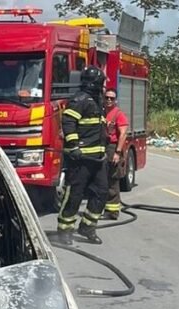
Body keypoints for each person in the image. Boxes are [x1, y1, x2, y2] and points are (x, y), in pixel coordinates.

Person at [55, 66, 108, 245]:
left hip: (98, 158)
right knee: (75, 194)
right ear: (96, 83)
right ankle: (65, 230)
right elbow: (68, 122)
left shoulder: (97, 100)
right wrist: (73, 146)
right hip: (81, 159)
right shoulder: (80, 99)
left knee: (101, 193)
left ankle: (88, 227)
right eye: (101, 83)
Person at [102, 88, 129, 220]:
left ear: (116, 100)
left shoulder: (118, 114)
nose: (109, 100)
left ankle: (112, 212)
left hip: (113, 148)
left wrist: (117, 152)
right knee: (102, 179)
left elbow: (123, 134)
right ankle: (103, 208)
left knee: (112, 180)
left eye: (112, 98)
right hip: (102, 147)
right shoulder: (101, 113)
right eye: (107, 97)